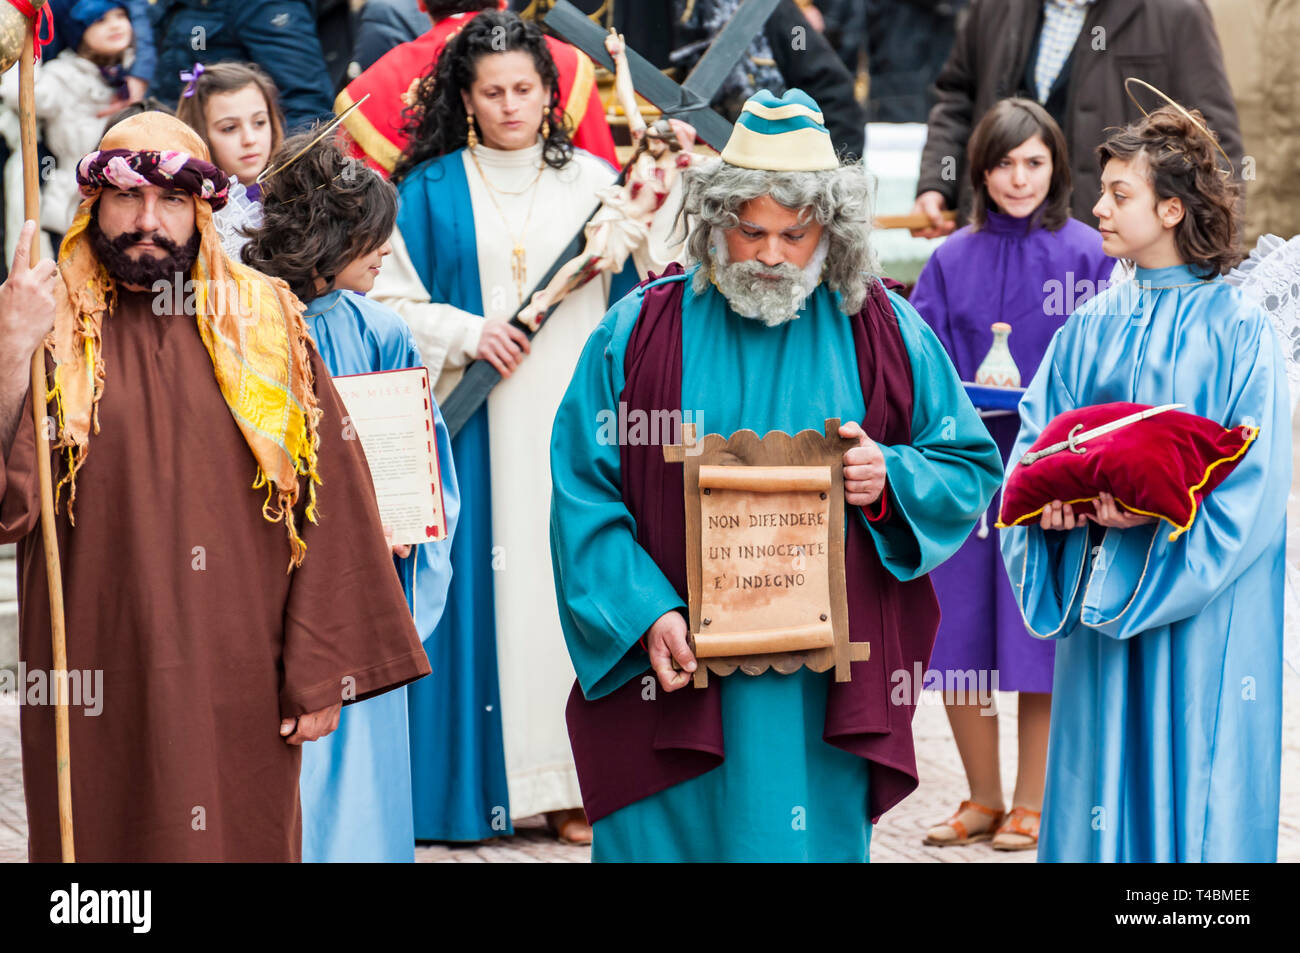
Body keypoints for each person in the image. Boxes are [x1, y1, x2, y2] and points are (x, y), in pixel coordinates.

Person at [550, 87, 1003, 862]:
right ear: (716, 220)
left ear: (831, 228)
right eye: (749, 230)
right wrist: (645, 612)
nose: (768, 255)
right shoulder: (635, 331)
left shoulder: (886, 330)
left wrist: (887, 474)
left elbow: (966, 461)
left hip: (818, 696)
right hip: (677, 674)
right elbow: (582, 493)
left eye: (794, 235)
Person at [0, 112, 430, 861]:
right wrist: (9, 349)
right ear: (93, 206)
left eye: (171, 202)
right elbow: (8, 511)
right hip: (91, 671)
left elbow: (328, 501)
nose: (146, 221)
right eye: (128, 198)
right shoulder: (49, 325)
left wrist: (322, 667)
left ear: (202, 211)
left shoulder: (263, 324)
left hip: (237, 670)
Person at [371, 10, 636, 846]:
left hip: (576, 424)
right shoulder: (427, 191)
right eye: (493, 92)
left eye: (525, 89)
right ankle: (481, 785)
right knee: (494, 602)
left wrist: (659, 202)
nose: (512, 105)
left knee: (567, 594)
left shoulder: (599, 185)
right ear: (465, 97)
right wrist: (466, 331)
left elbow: (651, 289)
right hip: (476, 422)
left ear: (551, 94)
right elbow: (386, 300)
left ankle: (572, 784)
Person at [1000, 104, 1289, 862]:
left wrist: (1163, 530)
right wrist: (1052, 511)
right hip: (1098, 592)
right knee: (1097, 775)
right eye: (1102, 191)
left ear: (1171, 208)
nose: (1097, 207)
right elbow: (1034, 448)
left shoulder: (1239, 328)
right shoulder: (1087, 327)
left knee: (1196, 778)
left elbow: (1255, 485)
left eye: (1119, 194)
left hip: (1201, 613)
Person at [242, 133, 458, 862]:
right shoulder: (243, 327)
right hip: (266, 584)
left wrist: (408, 527)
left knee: (359, 775)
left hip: (363, 585)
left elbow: (426, 470)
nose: (387, 252)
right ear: (326, 239)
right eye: (371, 237)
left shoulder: (384, 330)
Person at [909, 98, 1113, 851]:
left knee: (1035, 638)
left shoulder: (1087, 253)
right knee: (961, 638)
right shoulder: (949, 258)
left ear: (1057, 165)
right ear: (980, 170)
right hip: (968, 476)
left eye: (1034, 162)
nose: (1018, 178)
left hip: (1050, 476)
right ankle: (981, 796)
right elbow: (921, 363)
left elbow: (1104, 370)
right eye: (1003, 163)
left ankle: (1033, 800)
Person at [911, 0, 1244, 236]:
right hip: (994, 235)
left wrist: (1210, 261)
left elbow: (1212, 144)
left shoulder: (1177, 13)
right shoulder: (993, 7)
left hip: (1112, 254)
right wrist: (937, 186)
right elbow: (957, 99)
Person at [336, 0, 617, 177]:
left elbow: (355, 206)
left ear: (421, 4)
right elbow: (606, 178)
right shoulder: (566, 62)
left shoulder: (370, 88)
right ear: (504, 2)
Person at [0, 1, 134, 255]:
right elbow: (20, 94)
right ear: (77, 31)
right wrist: (21, 43)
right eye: (100, 20)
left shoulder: (134, 75)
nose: (115, 24)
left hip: (125, 200)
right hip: (72, 204)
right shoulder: (62, 77)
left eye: (120, 15)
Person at [148, 0, 335, 130]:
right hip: (175, 152)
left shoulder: (266, 6)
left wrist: (283, 178)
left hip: (239, 174)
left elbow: (306, 103)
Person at [176, 62, 285, 257]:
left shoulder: (297, 192)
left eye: (259, 122)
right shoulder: (190, 210)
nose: (250, 139)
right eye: (229, 128)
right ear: (199, 134)